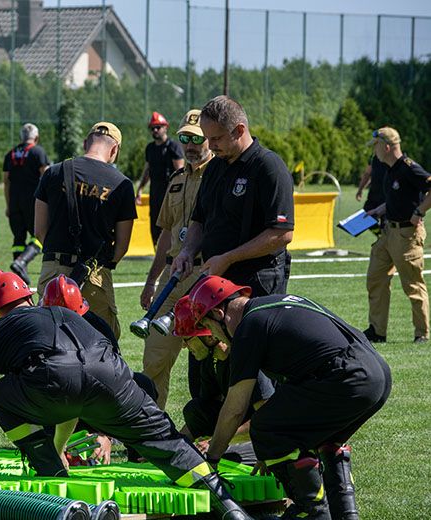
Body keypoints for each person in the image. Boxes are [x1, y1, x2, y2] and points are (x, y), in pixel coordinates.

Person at [0, 274, 253, 520]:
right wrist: (61, 444)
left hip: (53, 379)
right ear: (31, 299)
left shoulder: (1, 331)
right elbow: (78, 384)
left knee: (0, 396)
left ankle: (48, 468)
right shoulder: (68, 316)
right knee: (166, 442)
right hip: (112, 377)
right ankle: (228, 506)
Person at [188, 275, 392, 520]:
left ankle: (311, 511)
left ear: (219, 313)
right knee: (327, 442)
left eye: (209, 326)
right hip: (377, 374)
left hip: (346, 377)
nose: (214, 335)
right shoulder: (279, 303)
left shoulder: (248, 327)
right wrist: (272, 453)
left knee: (266, 426)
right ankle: (346, 515)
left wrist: (212, 458)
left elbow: (235, 407)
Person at [169, 95, 294, 297]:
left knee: (248, 330)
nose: (209, 146)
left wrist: (229, 258)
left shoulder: (268, 167)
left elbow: (282, 234)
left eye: (216, 138)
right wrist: (187, 251)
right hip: (216, 280)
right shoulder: (214, 167)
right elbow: (200, 220)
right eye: (207, 138)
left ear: (239, 131)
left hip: (257, 284)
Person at [40, 273, 158, 464]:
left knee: (143, 385)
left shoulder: (98, 327)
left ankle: (139, 454)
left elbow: (116, 382)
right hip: (57, 404)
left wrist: (104, 433)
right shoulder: (37, 329)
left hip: (94, 401)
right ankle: (48, 448)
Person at [140, 108, 214, 409]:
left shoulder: (219, 176)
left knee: (209, 359)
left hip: (204, 280)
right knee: (154, 358)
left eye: (197, 139)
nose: (190, 145)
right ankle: (150, 429)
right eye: (185, 138)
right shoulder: (175, 179)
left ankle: (208, 430)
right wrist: (150, 281)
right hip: (172, 280)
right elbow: (167, 237)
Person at [35, 122, 137, 339]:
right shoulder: (122, 184)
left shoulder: (53, 172)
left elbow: (39, 230)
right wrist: (104, 265)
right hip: (95, 274)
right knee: (102, 339)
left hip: (53, 271)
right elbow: (122, 244)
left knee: (48, 335)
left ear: (85, 143)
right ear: (114, 149)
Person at [172, 295, 274, 467]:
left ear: (210, 337)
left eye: (187, 339)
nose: (183, 346)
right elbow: (201, 415)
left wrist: (214, 444)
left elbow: (268, 417)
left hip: (271, 430)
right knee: (196, 410)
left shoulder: (245, 356)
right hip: (242, 425)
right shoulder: (211, 360)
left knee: (216, 457)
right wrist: (172, 447)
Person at [364, 127, 431, 344]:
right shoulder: (390, 169)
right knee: (375, 278)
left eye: (375, 147)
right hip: (387, 233)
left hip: (406, 236)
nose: (374, 152)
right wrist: (380, 210)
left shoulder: (409, 168)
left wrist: (419, 212)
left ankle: (422, 333)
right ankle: (377, 331)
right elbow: (398, 198)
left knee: (413, 285)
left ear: (386, 146)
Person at [3, 123, 51, 284]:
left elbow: (6, 182)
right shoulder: (38, 152)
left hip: (15, 201)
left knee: (18, 239)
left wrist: (9, 205)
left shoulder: (10, 154)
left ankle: (18, 278)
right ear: (35, 138)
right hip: (34, 202)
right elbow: (47, 178)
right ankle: (22, 261)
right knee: (40, 235)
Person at [135, 111, 185, 245]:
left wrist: (178, 194)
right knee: (155, 227)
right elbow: (147, 171)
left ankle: (170, 258)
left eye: (158, 127)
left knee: (169, 227)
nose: (155, 130)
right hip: (155, 194)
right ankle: (158, 258)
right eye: (153, 128)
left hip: (170, 195)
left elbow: (181, 173)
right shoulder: (150, 148)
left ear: (165, 127)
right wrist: (140, 189)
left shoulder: (173, 147)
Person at [355, 155, 388, 236]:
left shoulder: (393, 158)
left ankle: (385, 240)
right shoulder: (374, 158)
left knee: (386, 225)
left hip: (387, 198)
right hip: (373, 196)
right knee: (365, 219)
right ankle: (379, 235)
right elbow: (367, 174)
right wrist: (360, 189)